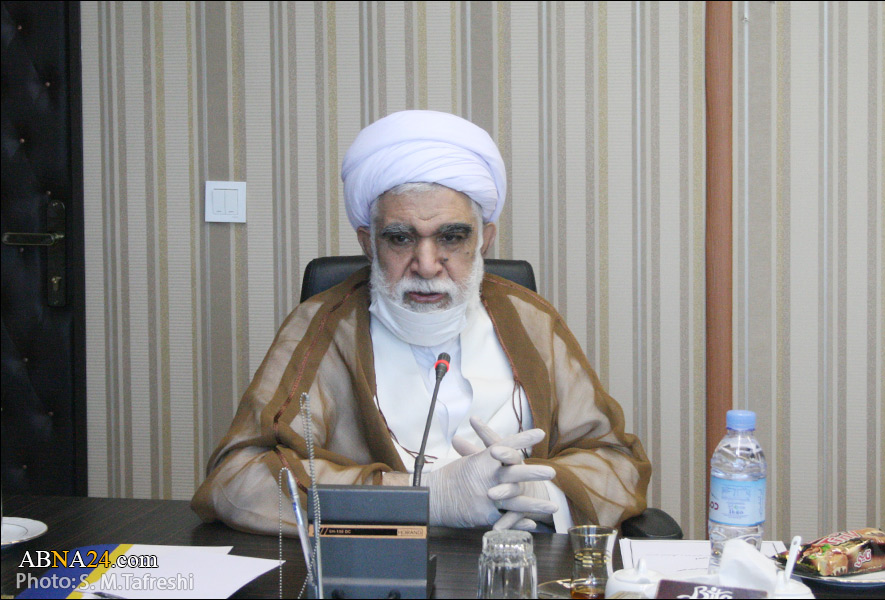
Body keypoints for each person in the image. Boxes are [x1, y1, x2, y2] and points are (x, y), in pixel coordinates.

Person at [191, 110, 650, 535]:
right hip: (383, 569)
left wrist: (540, 493)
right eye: (400, 238)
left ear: (484, 240)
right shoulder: (324, 326)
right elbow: (237, 479)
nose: (427, 265)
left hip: (519, 564)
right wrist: (422, 498)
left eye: (451, 237)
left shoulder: (531, 321)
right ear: (368, 244)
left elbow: (617, 462)